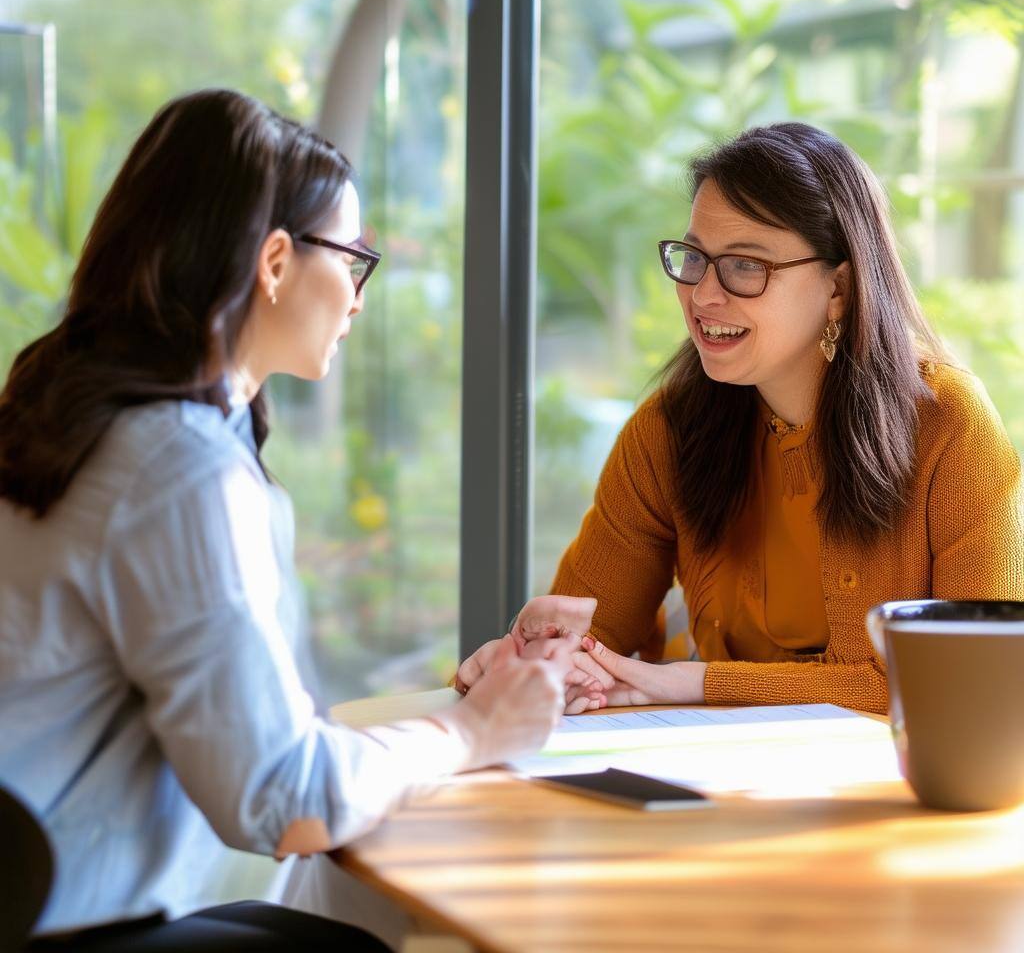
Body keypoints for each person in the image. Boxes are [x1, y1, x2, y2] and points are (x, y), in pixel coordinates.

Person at [0, 88, 580, 950]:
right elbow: (282, 796)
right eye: (352, 258)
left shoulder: (68, 415)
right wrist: (472, 731)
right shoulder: (175, 464)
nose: (356, 298)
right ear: (274, 263)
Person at [457, 121, 1024, 716]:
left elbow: (984, 682)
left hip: (894, 794)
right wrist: (530, 661)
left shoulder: (950, 426)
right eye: (695, 257)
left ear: (839, 286)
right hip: (715, 782)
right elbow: (592, 638)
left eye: (746, 266)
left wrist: (694, 682)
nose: (702, 295)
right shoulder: (669, 430)